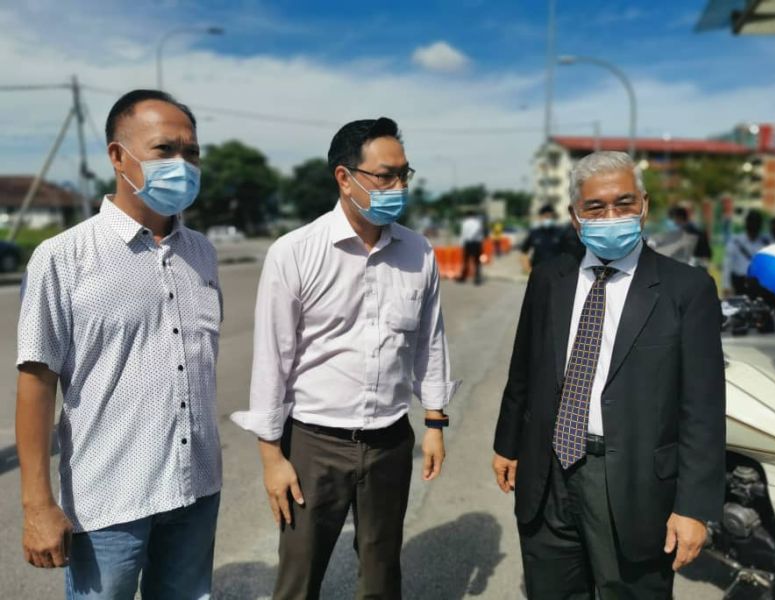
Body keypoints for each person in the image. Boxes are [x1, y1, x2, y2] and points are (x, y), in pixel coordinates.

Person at [231, 117, 459, 599]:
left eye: (404, 174)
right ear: (344, 177)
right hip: (315, 443)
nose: (397, 187)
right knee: (299, 576)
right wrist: (273, 458)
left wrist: (435, 421)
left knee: (381, 571)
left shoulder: (418, 252)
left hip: (390, 442)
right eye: (384, 176)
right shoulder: (295, 252)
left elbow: (429, 343)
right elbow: (272, 359)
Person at [16, 90, 223, 599]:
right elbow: (36, 385)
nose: (183, 164)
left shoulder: (202, 254)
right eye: (165, 150)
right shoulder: (64, 257)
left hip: (197, 488)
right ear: (117, 156)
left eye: (191, 153)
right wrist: (37, 505)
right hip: (110, 500)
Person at [492, 151, 725, 598]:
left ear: (644, 206)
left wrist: (694, 507)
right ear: (575, 217)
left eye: (623, 203)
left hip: (632, 483)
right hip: (550, 473)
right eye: (596, 207)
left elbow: (703, 408)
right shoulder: (549, 278)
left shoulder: (685, 289)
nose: (611, 216)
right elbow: (524, 368)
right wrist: (507, 444)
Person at [723, 209, 770, 296]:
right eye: (751, 221)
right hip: (739, 283)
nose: (754, 224)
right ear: (746, 223)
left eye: (756, 222)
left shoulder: (765, 244)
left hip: (758, 286)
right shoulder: (735, 241)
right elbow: (727, 265)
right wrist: (727, 286)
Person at [520, 204, 564, 272]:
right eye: (546, 216)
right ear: (540, 217)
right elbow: (524, 251)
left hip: (556, 273)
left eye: (551, 217)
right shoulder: (534, 233)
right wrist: (527, 268)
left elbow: (568, 252)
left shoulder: (560, 233)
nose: (548, 219)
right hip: (538, 272)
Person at [457, 209, 485, 285]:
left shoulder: (465, 223)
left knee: (465, 261)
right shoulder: (478, 223)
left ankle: (463, 277)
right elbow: (479, 233)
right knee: (477, 262)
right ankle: (477, 279)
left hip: (468, 243)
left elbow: (463, 234)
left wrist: (462, 244)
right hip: (476, 243)